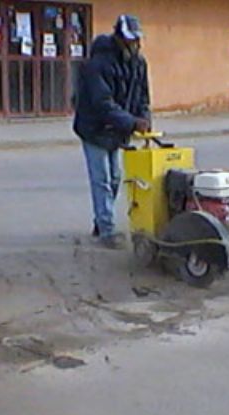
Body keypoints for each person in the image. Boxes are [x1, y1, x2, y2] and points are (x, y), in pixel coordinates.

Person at [73, 14, 151, 249]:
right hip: (94, 127)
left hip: (117, 129)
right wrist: (131, 121)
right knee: (102, 180)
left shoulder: (139, 64)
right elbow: (102, 102)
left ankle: (101, 220)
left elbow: (142, 96)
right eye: (130, 40)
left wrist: (144, 118)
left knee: (116, 178)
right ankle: (106, 229)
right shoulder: (97, 64)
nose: (134, 45)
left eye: (137, 40)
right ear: (118, 38)